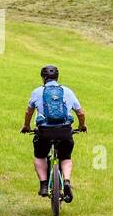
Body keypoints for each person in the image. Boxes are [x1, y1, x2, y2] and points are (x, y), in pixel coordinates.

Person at [21, 64, 86, 202]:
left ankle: (44, 184)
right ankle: (67, 181)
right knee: (66, 157)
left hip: (45, 132)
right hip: (64, 131)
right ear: (57, 77)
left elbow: (28, 112)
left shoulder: (37, 91)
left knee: (40, 156)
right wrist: (82, 126)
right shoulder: (67, 91)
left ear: (43, 78)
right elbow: (80, 112)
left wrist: (26, 126)